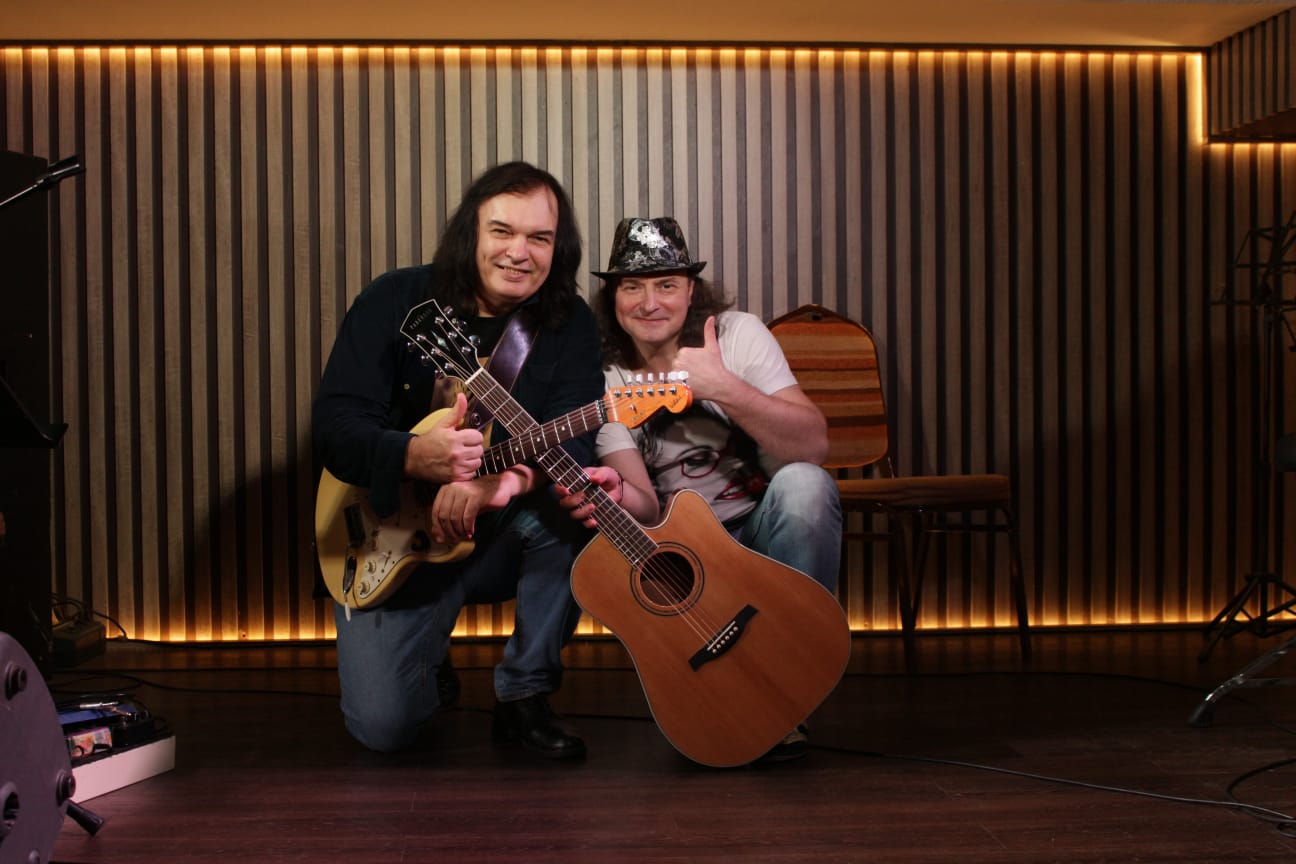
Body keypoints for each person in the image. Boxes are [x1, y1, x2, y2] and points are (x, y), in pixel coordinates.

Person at [312, 161, 604, 759]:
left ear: (558, 247)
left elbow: (573, 442)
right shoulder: (394, 299)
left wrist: (499, 485)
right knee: (385, 728)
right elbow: (334, 431)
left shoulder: (568, 321)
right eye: (502, 231)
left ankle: (525, 694)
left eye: (539, 238)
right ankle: (428, 656)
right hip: (392, 532)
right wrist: (415, 456)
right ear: (470, 231)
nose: (519, 252)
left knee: (583, 504)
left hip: (499, 534)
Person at [559, 216, 843, 761]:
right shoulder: (606, 375)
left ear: (691, 290)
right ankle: (736, 699)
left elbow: (813, 445)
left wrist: (723, 387)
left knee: (806, 484)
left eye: (666, 284)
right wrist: (617, 493)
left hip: (764, 538)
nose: (649, 303)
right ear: (613, 298)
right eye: (632, 286)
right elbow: (644, 506)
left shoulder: (737, 335)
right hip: (690, 565)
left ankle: (790, 692)